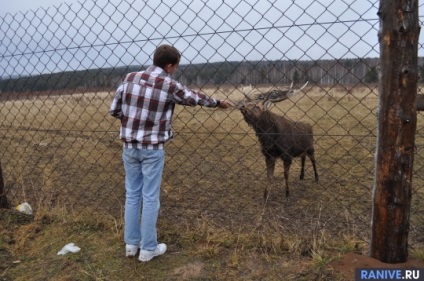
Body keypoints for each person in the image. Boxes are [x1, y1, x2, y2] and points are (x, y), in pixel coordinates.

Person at [109, 44, 234, 262]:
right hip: (153, 149)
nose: (174, 70)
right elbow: (193, 97)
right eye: (175, 67)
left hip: (129, 147)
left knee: (132, 194)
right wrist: (217, 103)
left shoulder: (129, 78)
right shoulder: (168, 84)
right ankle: (148, 249)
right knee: (149, 197)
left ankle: (131, 244)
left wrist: (131, 125)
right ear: (169, 66)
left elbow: (115, 110)